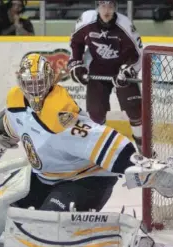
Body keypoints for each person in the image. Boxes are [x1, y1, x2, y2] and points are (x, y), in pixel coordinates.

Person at [0, 53, 173, 247]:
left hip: (85, 181)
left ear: (50, 80)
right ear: (21, 82)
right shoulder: (15, 101)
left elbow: (104, 139)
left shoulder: (61, 116)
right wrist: (4, 129)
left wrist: (144, 166)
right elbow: (15, 120)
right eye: (29, 83)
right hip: (45, 177)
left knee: (43, 227)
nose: (34, 89)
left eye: (39, 82)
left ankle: (121, 235)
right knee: (4, 210)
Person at [68, 0, 144, 152]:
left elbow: (139, 53)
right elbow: (76, 43)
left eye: (110, 5)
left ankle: (143, 148)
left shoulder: (125, 24)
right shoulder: (86, 20)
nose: (106, 9)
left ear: (115, 7)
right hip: (98, 70)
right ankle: (99, 149)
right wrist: (76, 63)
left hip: (122, 70)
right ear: (97, 6)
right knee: (95, 113)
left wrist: (128, 70)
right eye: (103, 5)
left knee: (135, 109)